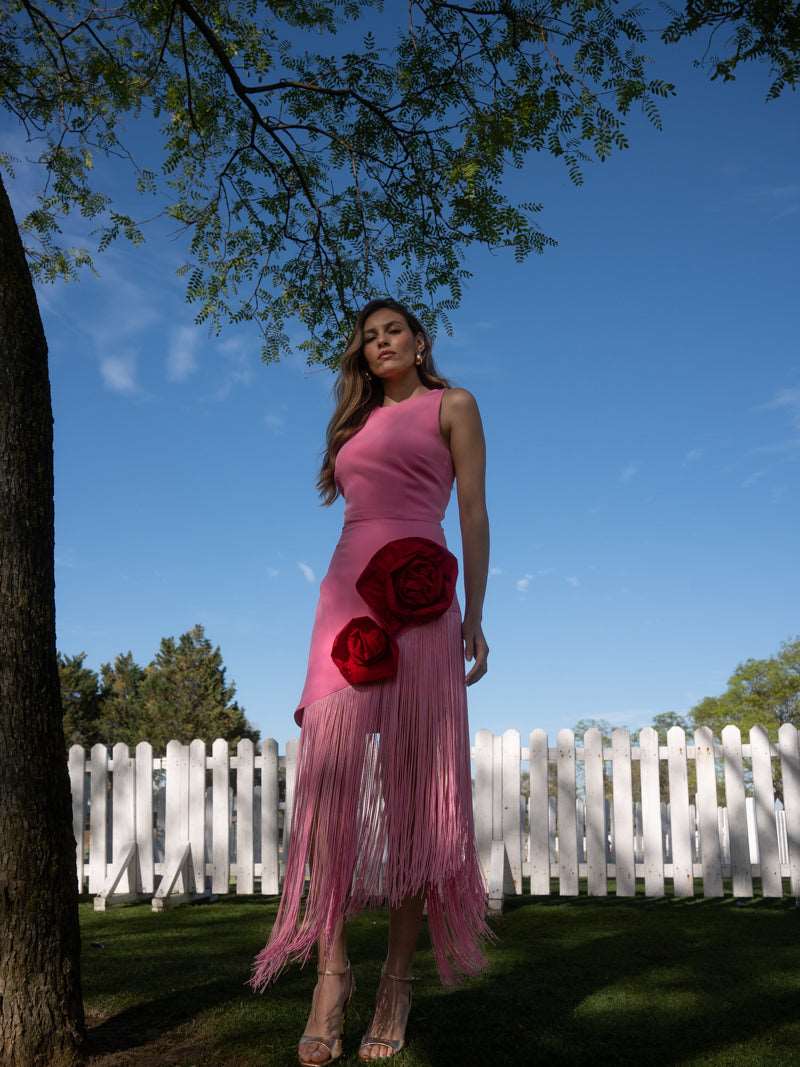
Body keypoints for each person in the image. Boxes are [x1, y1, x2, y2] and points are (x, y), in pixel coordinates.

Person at [248, 297, 497, 1064]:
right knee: (326, 792)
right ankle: (332, 973)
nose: (381, 342)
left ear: (420, 343)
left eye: (393, 331)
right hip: (344, 596)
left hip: (422, 596)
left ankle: (395, 981)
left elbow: (476, 512)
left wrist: (475, 616)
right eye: (368, 337)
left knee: (420, 802)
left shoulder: (452, 404)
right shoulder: (350, 426)